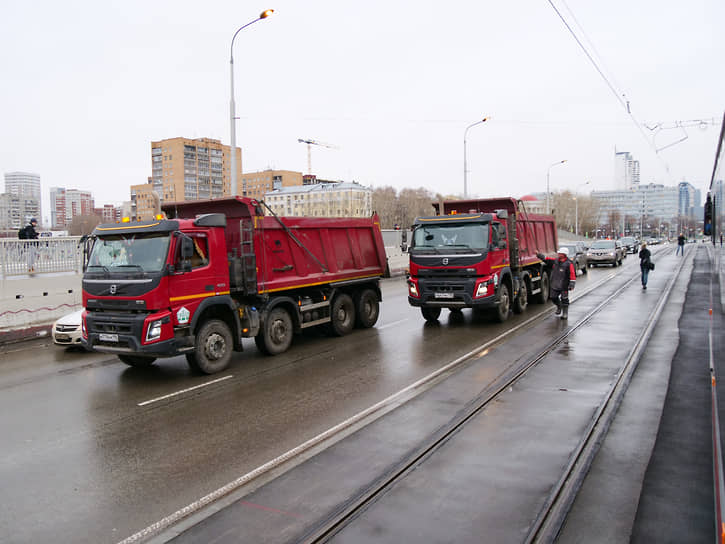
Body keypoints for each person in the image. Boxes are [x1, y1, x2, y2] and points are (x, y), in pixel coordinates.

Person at [537, 247, 576, 319]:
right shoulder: (555, 261)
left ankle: (565, 313)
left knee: (564, 299)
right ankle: (559, 306)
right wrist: (539, 255)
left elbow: (572, 274)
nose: (558, 254)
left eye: (560, 253)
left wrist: (572, 284)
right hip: (555, 284)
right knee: (553, 297)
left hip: (564, 285)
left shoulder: (569, 263)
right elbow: (546, 259)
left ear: (564, 254)